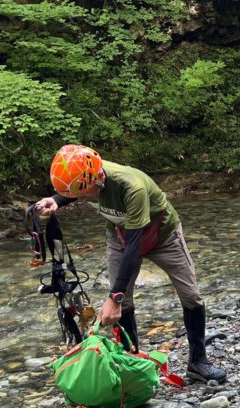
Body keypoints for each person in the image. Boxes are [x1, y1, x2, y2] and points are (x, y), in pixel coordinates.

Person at [35, 145, 226, 383]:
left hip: (162, 234)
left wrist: (115, 295)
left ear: (96, 178)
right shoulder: (85, 181)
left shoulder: (130, 186)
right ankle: (132, 363)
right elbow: (75, 192)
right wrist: (54, 200)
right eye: (73, 196)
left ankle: (198, 363)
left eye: (81, 195)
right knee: (123, 304)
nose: (79, 200)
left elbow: (134, 248)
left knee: (191, 296)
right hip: (119, 234)